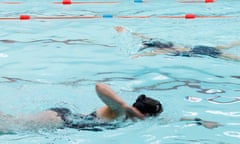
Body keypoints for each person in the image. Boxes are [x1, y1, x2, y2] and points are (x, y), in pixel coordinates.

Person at [0, 83, 220, 134]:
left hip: (63, 120)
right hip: (58, 120)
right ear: (141, 113)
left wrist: (200, 121)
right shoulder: (120, 112)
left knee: (9, 121)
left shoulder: (137, 118)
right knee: (9, 127)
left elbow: (170, 120)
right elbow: (100, 86)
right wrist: (125, 106)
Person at [114, 26, 240, 61]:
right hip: (196, 47)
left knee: (227, 56)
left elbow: (153, 53)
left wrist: (138, 56)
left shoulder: (164, 50)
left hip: (195, 51)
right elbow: (145, 37)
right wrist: (128, 31)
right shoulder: (168, 44)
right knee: (225, 47)